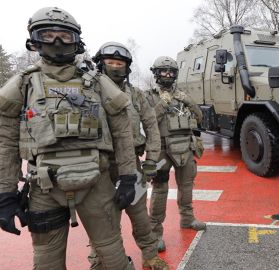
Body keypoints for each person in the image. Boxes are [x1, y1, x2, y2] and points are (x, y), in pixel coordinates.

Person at [0, 7, 137, 269]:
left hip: (97, 180)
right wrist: (5, 193)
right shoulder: (23, 83)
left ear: (76, 40)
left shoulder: (96, 82)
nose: (57, 42)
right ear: (35, 39)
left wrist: (129, 176)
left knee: (113, 257)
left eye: (64, 35)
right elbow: (4, 142)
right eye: (48, 35)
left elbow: (122, 129)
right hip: (44, 187)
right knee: (47, 261)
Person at [89, 42, 168, 270]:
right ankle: (101, 261)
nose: (115, 67)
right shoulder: (89, 93)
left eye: (119, 63)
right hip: (99, 166)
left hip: (131, 162)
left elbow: (152, 127)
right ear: (100, 65)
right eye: (110, 63)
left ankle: (150, 256)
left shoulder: (136, 95)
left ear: (127, 67)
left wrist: (152, 160)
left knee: (140, 215)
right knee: (103, 219)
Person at [145, 56, 206, 252]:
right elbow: (148, 121)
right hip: (162, 148)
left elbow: (200, 117)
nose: (168, 75)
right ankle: (155, 232)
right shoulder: (149, 96)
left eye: (171, 72)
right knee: (160, 190)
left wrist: (188, 101)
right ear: (156, 74)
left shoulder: (182, 95)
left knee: (187, 185)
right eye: (164, 71)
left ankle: (187, 219)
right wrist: (162, 103)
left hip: (185, 146)